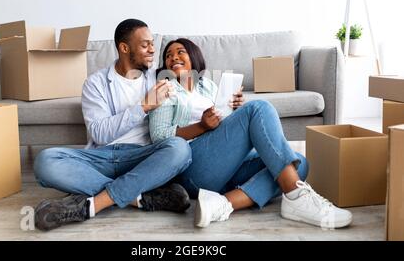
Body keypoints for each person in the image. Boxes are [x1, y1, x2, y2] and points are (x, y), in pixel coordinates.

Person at [149, 38, 353, 229]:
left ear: (194, 57)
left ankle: (222, 204)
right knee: (259, 109)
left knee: (299, 162)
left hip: (226, 167)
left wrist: (233, 110)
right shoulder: (166, 89)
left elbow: (222, 126)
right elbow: (159, 136)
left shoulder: (208, 86)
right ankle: (297, 196)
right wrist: (201, 127)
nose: (173, 57)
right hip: (195, 168)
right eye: (168, 55)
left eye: (180, 52)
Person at [33, 20, 192, 231]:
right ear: (124, 48)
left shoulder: (159, 77)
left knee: (180, 149)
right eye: (145, 45)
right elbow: (99, 134)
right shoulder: (95, 83)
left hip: (141, 156)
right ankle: (140, 196)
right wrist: (144, 106)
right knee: (45, 161)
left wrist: (226, 102)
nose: (153, 50)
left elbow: (194, 87)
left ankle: (95, 201)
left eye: (153, 44)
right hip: (101, 157)